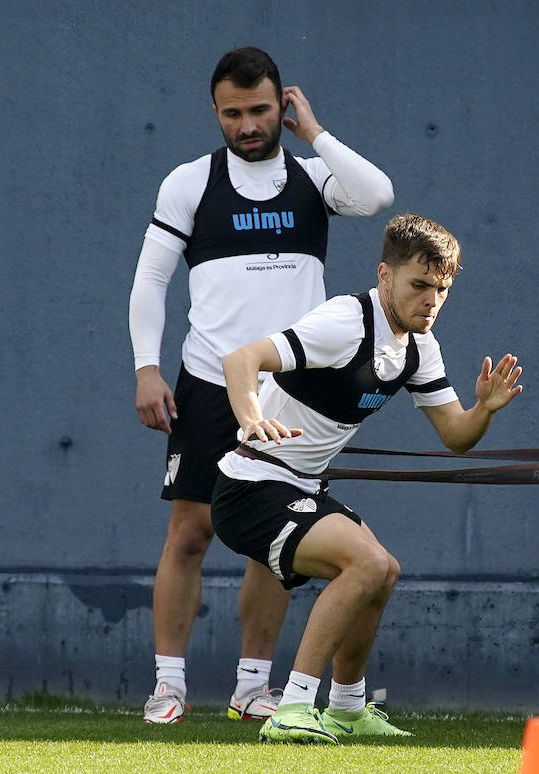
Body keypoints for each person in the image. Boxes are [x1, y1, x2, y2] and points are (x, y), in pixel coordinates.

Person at [128, 46, 394, 725]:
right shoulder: (189, 183)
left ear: (284, 105)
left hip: (292, 393)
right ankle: (168, 685)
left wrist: (319, 135)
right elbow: (152, 279)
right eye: (233, 113)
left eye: (261, 110)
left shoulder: (312, 178)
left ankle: (253, 687)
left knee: (275, 544)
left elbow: (377, 196)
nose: (247, 125)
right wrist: (146, 367)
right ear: (216, 113)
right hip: (210, 380)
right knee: (189, 533)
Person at [213, 213, 524, 743]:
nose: (431, 300)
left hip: (301, 487)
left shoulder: (419, 347)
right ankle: (291, 709)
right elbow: (242, 358)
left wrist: (485, 408)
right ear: (385, 276)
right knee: (366, 561)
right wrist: (249, 416)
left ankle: (348, 708)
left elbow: (454, 435)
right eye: (419, 285)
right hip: (251, 487)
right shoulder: (345, 322)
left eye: (441, 289)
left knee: (385, 571)